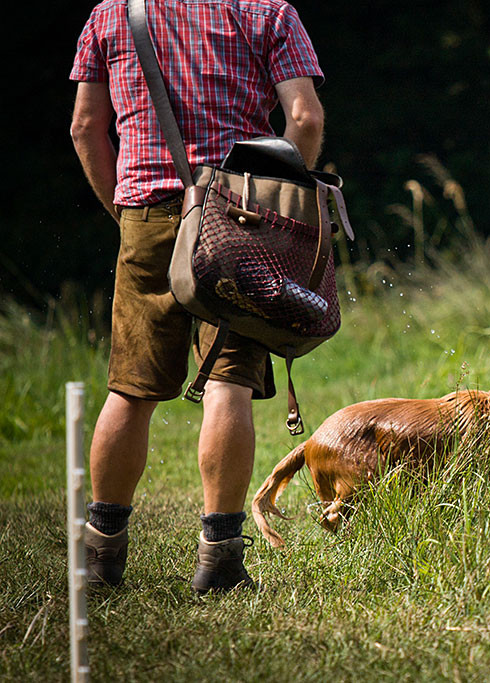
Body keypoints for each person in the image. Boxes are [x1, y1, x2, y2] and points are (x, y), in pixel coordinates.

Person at [69, 0, 325, 593]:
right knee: (229, 383)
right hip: (238, 218)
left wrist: (127, 210)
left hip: (146, 214)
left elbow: (86, 126)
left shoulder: (112, 16)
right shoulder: (267, 13)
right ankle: (220, 560)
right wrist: (277, 210)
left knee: (131, 388)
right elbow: (305, 119)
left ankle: (101, 553)